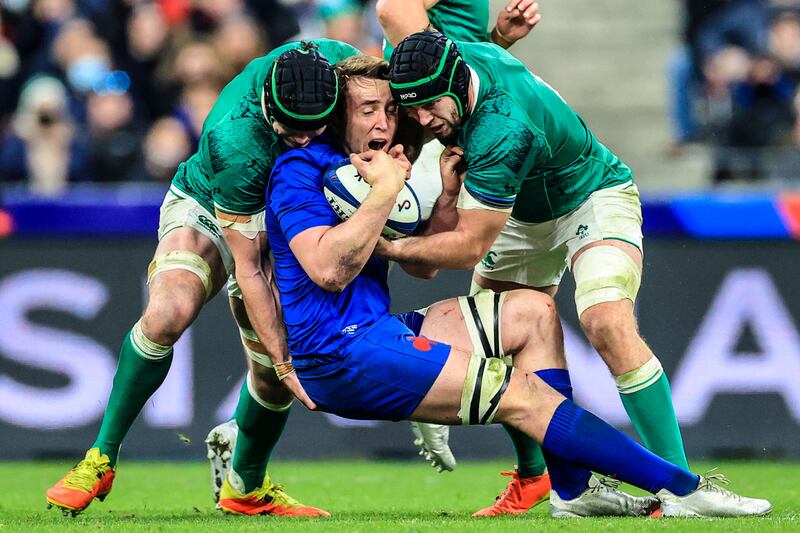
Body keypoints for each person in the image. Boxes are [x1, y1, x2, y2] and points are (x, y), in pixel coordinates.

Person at [265, 54, 771, 520]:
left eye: (390, 108)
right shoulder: (299, 172)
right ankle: (682, 488)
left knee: (531, 312)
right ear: (334, 115)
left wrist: (442, 195)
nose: (385, 122)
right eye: (368, 110)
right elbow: (328, 270)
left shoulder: (375, 163)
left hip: (374, 331)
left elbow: (424, 267)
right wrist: (386, 192)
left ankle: (572, 493)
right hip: (338, 356)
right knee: (526, 397)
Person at [382, 31, 695, 513]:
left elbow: (468, 246)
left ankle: (680, 487)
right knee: (498, 341)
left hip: (589, 195)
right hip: (519, 213)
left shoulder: (503, 126)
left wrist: (380, 244)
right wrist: (500, 34)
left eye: (429, 106)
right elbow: (398, 17)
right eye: (412, 107)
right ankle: (537, 482)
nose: (421, 120)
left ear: (455, 78)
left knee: (606, 320)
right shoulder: (445, 64)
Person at [44, 39, 358, 518]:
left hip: (296, 215)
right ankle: (101, 457)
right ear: (269, 111)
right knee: (170, 311)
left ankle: (246, 487)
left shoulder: (347, 71)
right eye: (291, 133)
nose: (302, 142)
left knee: (271, 377)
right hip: (214, 206)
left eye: (314, 130)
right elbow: (248, 266)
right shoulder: (235, 138)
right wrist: (286, 359)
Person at [377, 4, 552, 512]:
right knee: (496, 312)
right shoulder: (431, 101)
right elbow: (392, 10)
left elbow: (463, 70)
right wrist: (421, 90)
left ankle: (535, 472)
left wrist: (495, 39)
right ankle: (421, 374)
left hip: (446, 121)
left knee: (488, 307)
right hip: (431, 131)